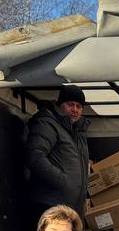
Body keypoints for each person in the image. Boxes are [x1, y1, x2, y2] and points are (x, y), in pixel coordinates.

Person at [25, 85, 90, 223]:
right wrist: (63, 181)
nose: (75, 109)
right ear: (60, 105)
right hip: (50, 205)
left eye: (79, 106)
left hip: (70, 207)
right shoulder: (48, 124)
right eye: (70, 104)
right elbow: (35, 156)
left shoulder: (77, 132)